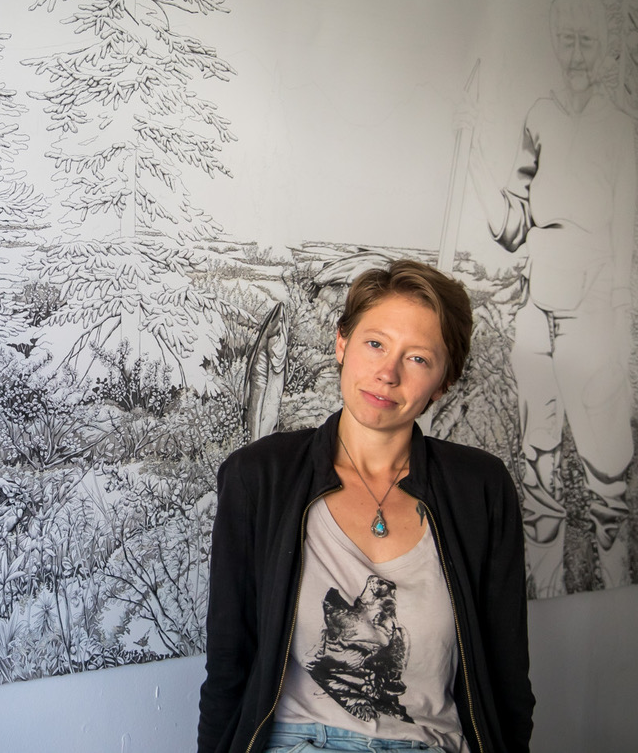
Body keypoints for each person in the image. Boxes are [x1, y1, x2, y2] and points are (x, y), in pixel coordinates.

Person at [198, 260, 533, 753]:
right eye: (375, 344)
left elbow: (507, 678)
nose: (387, 374)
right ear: (342, 343)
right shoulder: (260, 477)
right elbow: (228, 662)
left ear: (443, 382)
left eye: (417, 358)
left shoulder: (480, 490)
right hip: (299, 741)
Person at [470, 0, 637, 597]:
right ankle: (547, 598)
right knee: (537, 467)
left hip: (593, 311)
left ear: (604, 47)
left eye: (587, 41)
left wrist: (618, 319)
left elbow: (624, 231)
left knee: (606, 470)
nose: (575, 54)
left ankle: (620, 592)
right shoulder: (538, 117)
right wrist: (480, 168)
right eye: (566, 40)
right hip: (537, 315)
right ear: (554, 44)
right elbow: (512, 226)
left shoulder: (620, 127)